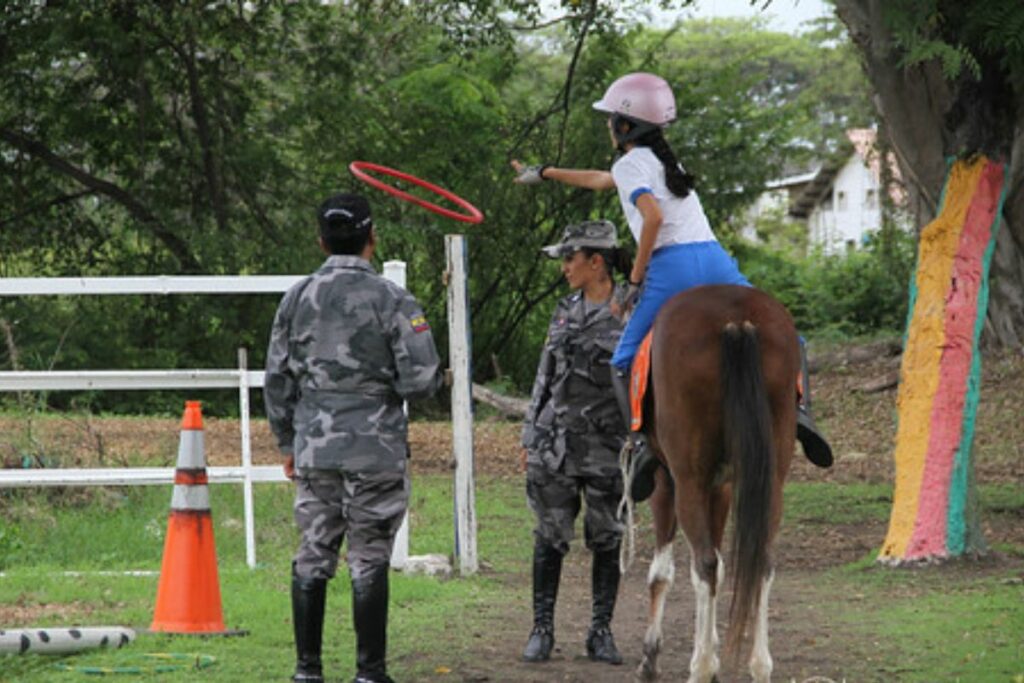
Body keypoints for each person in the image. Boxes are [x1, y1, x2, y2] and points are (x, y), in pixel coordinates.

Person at [512, 72, 832, 504]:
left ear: (625, 125)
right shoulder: (664, 162)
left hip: (673, 265)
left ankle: (641, 444)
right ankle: (801, 414)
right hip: (714, 258)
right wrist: (546, 172)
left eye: (611, 119)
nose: (608, 125)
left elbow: (654, 220)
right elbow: (599, 180)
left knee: (622, 360)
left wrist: (636, 278)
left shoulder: (630, 165)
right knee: (787, 336)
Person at [264, 193, 444, 683]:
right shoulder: (393, 299)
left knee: (313, 551)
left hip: (314, 446)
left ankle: (307, 671)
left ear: (321, 240)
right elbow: (422, 382)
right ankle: (369, 673)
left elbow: (277, 380)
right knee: (368, 556)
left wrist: (287, 443)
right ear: (372, 238)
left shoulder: (297, 298)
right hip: (375, 447)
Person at [520, 220, 631, 666]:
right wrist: (531, 432)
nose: (564, 266)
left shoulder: (633, 306)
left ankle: (600, 632)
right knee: (550, 537)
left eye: (571, 258)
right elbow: (545, 373)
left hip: (609, 445)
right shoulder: (564, 309)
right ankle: (541, 629)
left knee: (606, 538)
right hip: (557, 443)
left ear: (596, 261)